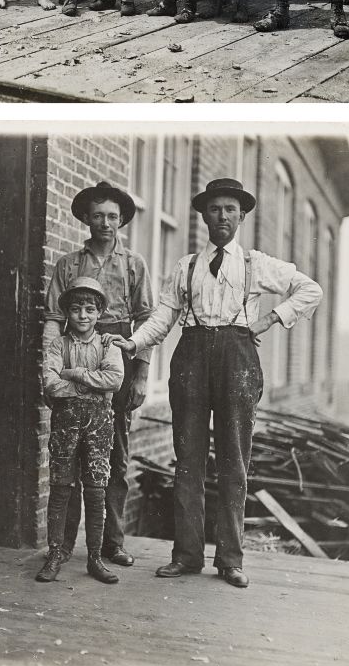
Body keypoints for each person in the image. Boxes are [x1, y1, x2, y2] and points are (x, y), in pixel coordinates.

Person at [114, 178, 323, 589]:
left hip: (237, 360)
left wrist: (269, 319)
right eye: (214, 209)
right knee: (188, 461)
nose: (222, 216)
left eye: (230, 209)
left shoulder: (255, 264)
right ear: (204, 216)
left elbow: (309, 289)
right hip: (191, 359)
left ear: (241, 216)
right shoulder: (187, 266)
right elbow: (164, 316)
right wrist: (134, 341)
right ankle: (186, 555)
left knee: (234, 461)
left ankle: (230, 559)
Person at [45, 181, 154, 571]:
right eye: (97, 216)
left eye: (112, 216)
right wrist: (51, 367)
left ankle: (111, 542)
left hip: (117, 356)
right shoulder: (69, 265)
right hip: (74, 352)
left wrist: (141, 375)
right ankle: (63, 545)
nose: (105, 223)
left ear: (121, 219)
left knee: (115, 455)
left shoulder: (133, 264)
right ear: (86, 220)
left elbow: (146, 321)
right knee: (71, 453)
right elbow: (54, 319)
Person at [35, 278, 124, 585]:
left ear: (99, 312)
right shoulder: (58, 345)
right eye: (75, 309)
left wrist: (74, 374)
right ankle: (55, 553)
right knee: (61, 486)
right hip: (65, 422)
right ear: (67, 313)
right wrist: (87, 385)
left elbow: (114, 379)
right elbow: (51, 384)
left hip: (99, 423)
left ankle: (95, 558)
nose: (82, 315)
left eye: (89, 309)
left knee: (96, 489)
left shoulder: (108, 345)